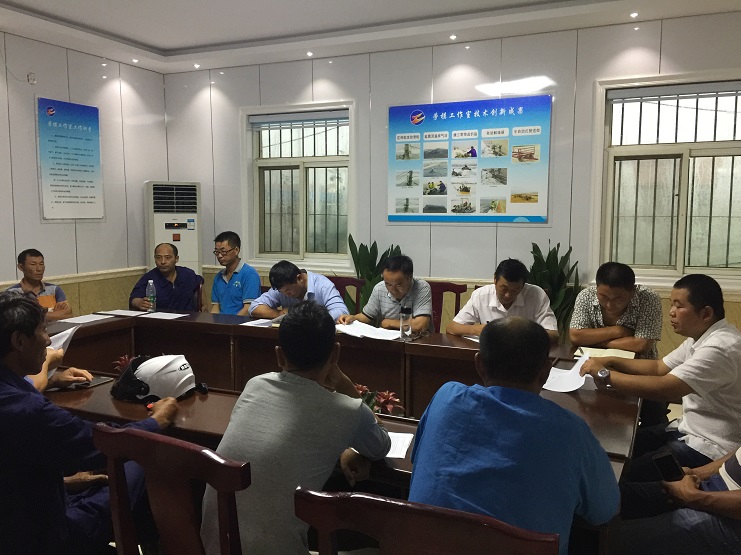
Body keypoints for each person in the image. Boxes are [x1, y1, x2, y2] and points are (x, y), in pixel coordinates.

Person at [408, 317, 619, 555]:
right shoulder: (571, 431)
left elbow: (417, 460)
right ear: (546, 372)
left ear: (479, 364)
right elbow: (605, 510)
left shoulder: (446, 398)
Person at [200, 301, 391, 553]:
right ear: (335, 354)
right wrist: (344, 384)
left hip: (214, 547)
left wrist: (342, 446)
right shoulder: (347, 411)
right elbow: (380, 446)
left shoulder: (255, 385)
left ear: (279, 355)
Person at [0, 290, 179, 554]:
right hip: (45, 536)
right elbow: (103, 444)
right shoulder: (28, 409)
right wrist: (156, 421)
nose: (48, 340)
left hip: (17, 516)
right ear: (19, 341)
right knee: (141, 459)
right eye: (43, 330)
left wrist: (63, 482)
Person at [580, 274, 741, 481]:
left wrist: (605, 374)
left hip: (709, 446)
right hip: (687, 429)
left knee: (621, 474)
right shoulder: (701, 338)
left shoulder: (720, 348)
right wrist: (612, 360)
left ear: (706, 313)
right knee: (618, 444)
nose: (671, 312)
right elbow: (658, 367)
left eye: (678, 306)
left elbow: (666, 388)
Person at [570, 261, 665, 426]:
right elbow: (576, 336)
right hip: (593, 368)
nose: (609, 305)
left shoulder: (649, 299)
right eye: (603, 297)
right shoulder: (586, 296)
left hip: (639, 371)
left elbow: (641, 345)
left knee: (654, 420)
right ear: (597, 288)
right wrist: (618, 331)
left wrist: (599, 340)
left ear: (632, 291)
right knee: (582, 411)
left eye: (618, 299)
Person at [613, 447, 741, 554]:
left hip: (731, 517)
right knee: (620, 495)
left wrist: (693, 497)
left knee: (613, 540)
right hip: (713, 485)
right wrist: (695, 474)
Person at [446, 258, 558, 342]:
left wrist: (521, 335)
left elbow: (553, 335)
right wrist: (479, 330)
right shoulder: (481, 295)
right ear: (495, 279)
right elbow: (452, 328)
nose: (508, 295)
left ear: (523, 286)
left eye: (515, 290)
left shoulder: (536, 295)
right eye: (503, 288)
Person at [338, 255, 433, 333]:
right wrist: (352, 318)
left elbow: (420, 325)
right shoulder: (380, 288)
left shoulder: (421, 287)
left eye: (398, 285)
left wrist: (389, 323)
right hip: (388, 340)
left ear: (410, 277)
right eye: (388, 284)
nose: (393, 290)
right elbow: (366, 316)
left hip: (416, 341)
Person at [249, 260, 349, 321]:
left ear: (300, 278)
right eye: (282, 292)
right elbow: (254, 307)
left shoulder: (323, 285)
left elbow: (342, 311)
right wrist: (278, 314)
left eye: (288, 290)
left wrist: (310, 318)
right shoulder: (282, 287)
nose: (286, 295)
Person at [129, 242, 204, 311]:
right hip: (160, 319)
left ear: (176, 259)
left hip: (188, 318)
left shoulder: (187, 274)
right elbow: (134, 298)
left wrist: (204, 306)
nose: (163, 262)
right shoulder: (149, 278)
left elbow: (199, 285)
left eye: (168, 257)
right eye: (158, 257)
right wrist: (139, 303)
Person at [7, 248, 72, 321]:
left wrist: (33, 315)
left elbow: (67, 314)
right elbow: (15, 320)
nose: (39, 269)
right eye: (33, 264)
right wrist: (54, 314)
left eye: (41, 264)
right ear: (21, 267)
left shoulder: (54, 289)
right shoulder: (11, 294)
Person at [210, 231, 260, 316]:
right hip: (221, 322)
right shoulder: (218, 277)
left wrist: (232, 323)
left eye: (223, 251)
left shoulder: (249, 275)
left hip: (241, 322)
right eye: (217, 252)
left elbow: (248, 308)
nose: (219, 256)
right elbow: (216, 307)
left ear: (236, 250)